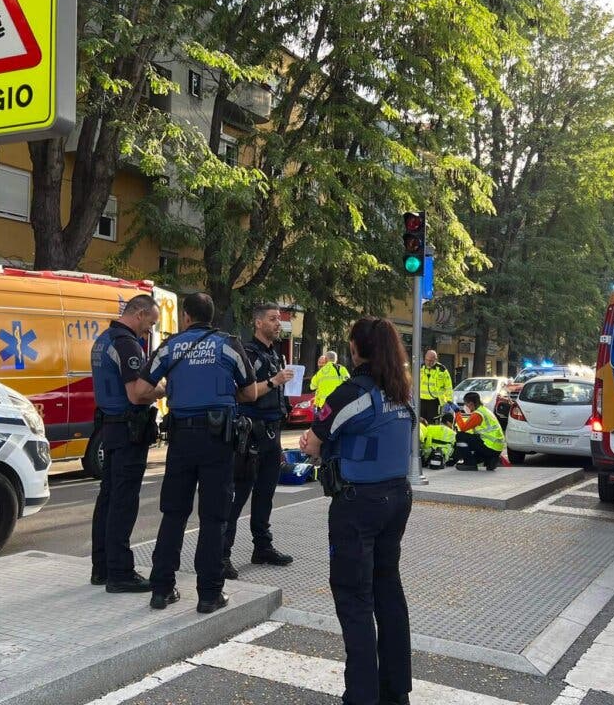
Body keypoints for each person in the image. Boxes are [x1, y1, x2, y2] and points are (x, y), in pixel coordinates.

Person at [300, 317, 414, 705]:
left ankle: (361, 697)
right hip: (397, 498)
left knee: (354, 599)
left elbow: (313, 442)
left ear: (355, 348)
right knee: (389, 592)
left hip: (358, 504)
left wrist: (311, 442)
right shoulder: (401, 392)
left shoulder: (352, 393)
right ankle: (396, 691)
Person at [134, 293, 259, 614]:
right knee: (214, 517)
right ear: (211, 316)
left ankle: (161, 590)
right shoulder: (229, 344)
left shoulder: (171, 346)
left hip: (181, 438)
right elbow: (250, 392)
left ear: (186, 316)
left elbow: (141, 391)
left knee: (173, 513)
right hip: (218, 439)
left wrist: (170, 390)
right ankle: (209, 594)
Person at [89, 295, 166, 593]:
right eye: (150, 325)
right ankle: (121, 572)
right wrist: (161, 389)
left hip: (110, 427)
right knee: (123, 501)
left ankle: (102, 567)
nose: (149, 332)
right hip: (127, 429)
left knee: (108, 498)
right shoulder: (127, 343)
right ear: (140, 313)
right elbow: (137, 394)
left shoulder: (103, 339)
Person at [223, 303, 296, 579]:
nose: (278, 324)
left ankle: (262, 546)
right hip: (251, 432)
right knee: (239, 494)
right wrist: (275, 381)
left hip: (272, 431)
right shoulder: (248, 353)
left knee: (265, 493)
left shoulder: (274, 353)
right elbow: (243, 394)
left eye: (279, 319)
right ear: (257, 323)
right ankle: (223, 554)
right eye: (273, 319)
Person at [453, 391, 504, 471]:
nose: (466, 407)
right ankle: (490, 459)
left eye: (466, 404)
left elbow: (463, 428)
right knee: (474, 458)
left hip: (489, 446)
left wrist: (457, 412)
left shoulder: (478, 414)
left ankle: (469, 464)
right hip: (496, 448)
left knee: (460, 436)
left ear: (471, 404)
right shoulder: (485, 410)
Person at [419, 350, 453, 423]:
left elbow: (448, 387)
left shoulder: (442, 370)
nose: (428, 362)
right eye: (427, 360)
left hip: (435, 402)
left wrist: (449, 401)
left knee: (432, 423)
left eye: (431, 361)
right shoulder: (420, 368)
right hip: (421, 401)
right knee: (420, 424)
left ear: (436, 360)